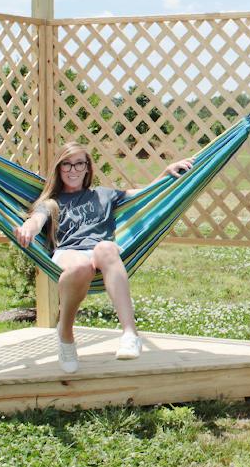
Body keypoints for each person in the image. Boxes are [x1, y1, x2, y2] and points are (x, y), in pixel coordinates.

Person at [14, 142, 192, 373]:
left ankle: (130, 334)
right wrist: (27, 229)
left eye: (79, 163)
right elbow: (37, 220)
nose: (73, 169)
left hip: (100, 253)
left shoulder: (104, 195)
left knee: (106, 248)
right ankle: (65, 333)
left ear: (88, 168)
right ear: (59, 168)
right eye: (67, 164)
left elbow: (146, 195)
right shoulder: (51, 203)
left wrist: (165, 173)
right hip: (69, 254)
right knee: (81, 266)